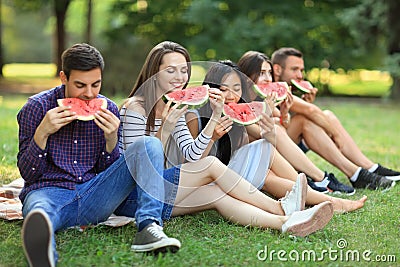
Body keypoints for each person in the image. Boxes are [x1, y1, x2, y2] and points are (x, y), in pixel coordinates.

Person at [119, 40, 334, 239]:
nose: (180, 77)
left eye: (184, 70)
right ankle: (282, 207)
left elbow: (192, 155)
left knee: (216, 193)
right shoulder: (135, 108)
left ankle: (285, 222)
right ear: (154, 74)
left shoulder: (176, 106)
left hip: (161, 195)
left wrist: (214, 117)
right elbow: (138, 168)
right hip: (136, 197)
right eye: (170, 70)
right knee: (211, 165)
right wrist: (165, 129)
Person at [17, 43, 183, 267]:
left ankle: (149, 227)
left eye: (96, 84)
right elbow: (28, 174)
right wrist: (42, 133)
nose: (89, 93)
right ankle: (43, 250)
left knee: (149, 144)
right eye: (80, 85)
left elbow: (111, 176)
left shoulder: (109, 109)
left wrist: (111, 139)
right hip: (48, 192)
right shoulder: (36, 108)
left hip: (95, 194)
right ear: (63, 77)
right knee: (39, 212)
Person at [186, 59, 367, 213]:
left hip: (237, 176)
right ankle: (327, 200)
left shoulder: (238, 117)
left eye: (236, 88)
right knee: (265, 164)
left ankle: (317, 201)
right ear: (210, 89)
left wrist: (269, 123)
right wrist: (211, 136)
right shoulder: (195, 118)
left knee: (267, 163)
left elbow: (267, 139)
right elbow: (192, 163)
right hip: (212, 181)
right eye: (224, 89)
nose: (232, 96)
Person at [270, 47, 398, 190]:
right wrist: (335, 135)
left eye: (301, 70)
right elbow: (311, 111)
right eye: (294, 69)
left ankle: (369, 167)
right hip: (276, 148)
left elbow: (295, 115)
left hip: (289, 141)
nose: (300, 75)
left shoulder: (285, 90)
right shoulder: (272, 88)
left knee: (328, 115)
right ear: (277, 69)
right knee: (304, 120)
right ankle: (355, 173)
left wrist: (306, 103)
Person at [236, 51, 355, 194]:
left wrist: (284, 112)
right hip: (247, 155)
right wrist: (268, 114)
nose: (268, 79)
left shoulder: (263, 97)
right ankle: (321, 177)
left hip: (271, 147)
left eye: (269, 73)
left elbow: (284, 125)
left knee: (283, 123)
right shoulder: (237, 100)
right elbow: (263, 133)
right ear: (246, 76)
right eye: (261, 73)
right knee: (275, 127)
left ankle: (323, 177)